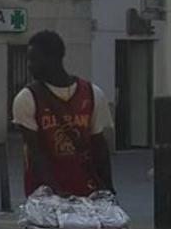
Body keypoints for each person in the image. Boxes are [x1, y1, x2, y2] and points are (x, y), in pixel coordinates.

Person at [12, 30, 114, 197]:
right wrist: (56, 191)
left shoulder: (92, 94)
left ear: (54, 58)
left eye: (34, 59)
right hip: (46, 194)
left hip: (87, 190)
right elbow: (35, 152)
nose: (29, 65)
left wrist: (108, 187)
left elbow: (99, 145)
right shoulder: (27, 98)